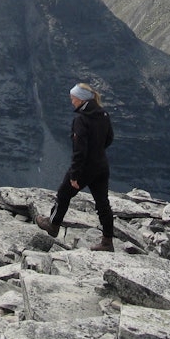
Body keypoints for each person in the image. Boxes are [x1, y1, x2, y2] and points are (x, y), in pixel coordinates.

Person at [35, 82, 116, 251]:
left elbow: (79, 150)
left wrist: (74, 175)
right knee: (103, 203)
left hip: (85, 168)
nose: (71, 101)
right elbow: (109, 139)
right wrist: (97, 152)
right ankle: (107, 241)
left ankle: (53, 224)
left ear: (80, 99)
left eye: (72, 98)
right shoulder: (104, 114)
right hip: (101, 165)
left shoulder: (81, 120)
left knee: (64, 194)